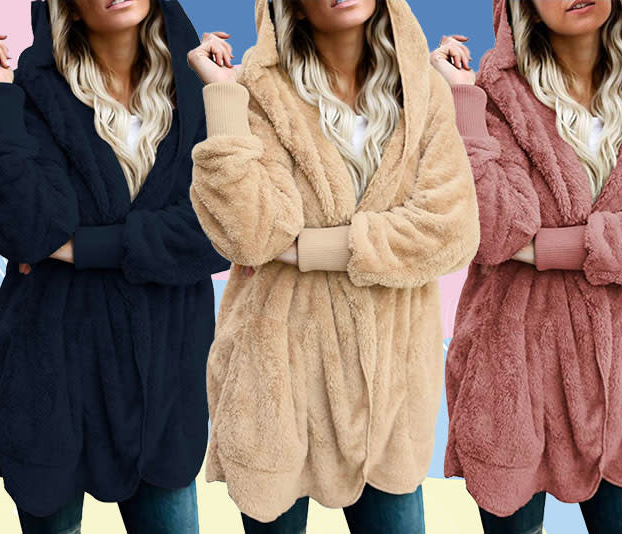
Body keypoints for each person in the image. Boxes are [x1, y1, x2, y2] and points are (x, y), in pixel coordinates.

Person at [187, 0, 480, 531]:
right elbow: (252, 234)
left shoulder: (423, 91)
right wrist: (225, 96)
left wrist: (311, 249)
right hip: (276, 377)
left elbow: (450, 232)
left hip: (390, 389)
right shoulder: (257, 92)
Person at [431, 1, 622, 532]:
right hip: (512, 376)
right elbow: (491, 229)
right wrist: (463, 102)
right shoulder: (493, 95)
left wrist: (547, 249)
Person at [0, 0, 229, 532]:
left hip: (165, 376)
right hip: (50, 368)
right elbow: (25, 227)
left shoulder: (200, 89)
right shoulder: (32, 93)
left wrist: (81, 249)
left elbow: (223, 229)